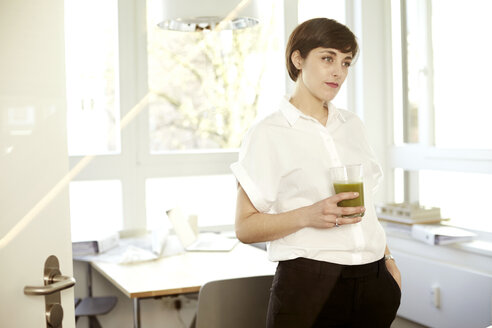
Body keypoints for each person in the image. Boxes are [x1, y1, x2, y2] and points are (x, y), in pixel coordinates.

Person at [230, 18, 401, 328]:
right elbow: (244, 228)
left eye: (346, 62)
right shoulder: (268, 133)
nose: (338, 71)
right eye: (327, 58)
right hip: (309, 284)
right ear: (298, 60)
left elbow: (368, 208)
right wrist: (308, 215)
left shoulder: (353, 126)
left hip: (373, 280)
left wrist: (389, 264)